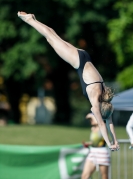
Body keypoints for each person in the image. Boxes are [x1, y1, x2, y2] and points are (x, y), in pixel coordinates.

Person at [17, 11, 119, 151]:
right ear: (99, 110)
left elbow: (109, 121)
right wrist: (109, 144)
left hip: (83, 56)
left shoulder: (105, 97)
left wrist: (115, 140)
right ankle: (29, 20)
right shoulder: (95, 100)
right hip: (77, 60)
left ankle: (34, 20)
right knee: (50, 37)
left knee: (52, 38)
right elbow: (102, 125)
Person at [82, 113, 110, 179]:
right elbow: (95, 141)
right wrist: (88, 144)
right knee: (84, 176)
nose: (90, 121)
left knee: (104, 176)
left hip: (102, 153)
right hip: (92, 152)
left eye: (92, 119)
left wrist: (93, 115)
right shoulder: (92, 129)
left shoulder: (103, 127)